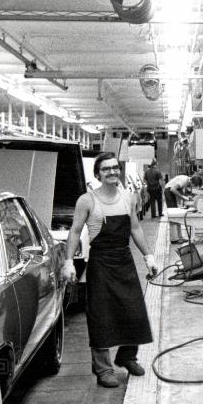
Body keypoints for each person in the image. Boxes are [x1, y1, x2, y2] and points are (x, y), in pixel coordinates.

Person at [63, 152, 159, 388]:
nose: (112, 172)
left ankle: (127, 356)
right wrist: (67, 262)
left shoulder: (128, 197)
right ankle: (103, 369)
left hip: (124, 260)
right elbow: (75, 231)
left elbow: (135, 228)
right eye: (106, 169)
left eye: (115, 168)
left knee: (134, 311)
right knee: (101, 315)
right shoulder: (87, 200)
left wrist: (149, 257)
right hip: (100, 262)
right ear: (98, 174)